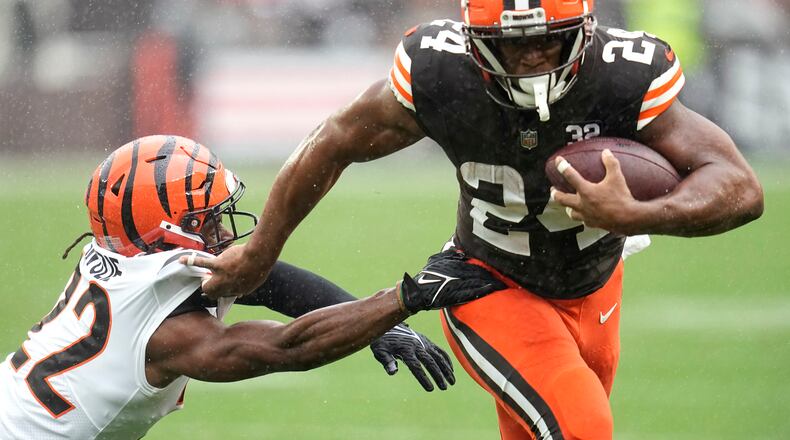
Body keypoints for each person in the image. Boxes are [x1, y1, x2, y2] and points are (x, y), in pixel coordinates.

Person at [188, 1, 765, 438]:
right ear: (473, 41)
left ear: (584, 34)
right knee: (582, 426)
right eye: (514, 46)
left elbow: (739, 186)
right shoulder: (442, 74)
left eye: (549, 41)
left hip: (596, 284)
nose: (532, 59)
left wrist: (639, 214)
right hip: (490, 284)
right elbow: (334, 141)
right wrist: (262, 249)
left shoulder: (620, 76)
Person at [0, 135, 505, 439]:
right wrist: (406, 299)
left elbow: (267, 281)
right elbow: (291, 346)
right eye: (205, 219)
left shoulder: (122, 255)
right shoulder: (167, 335)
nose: (222, 232)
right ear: (161, 232)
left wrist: (373, 324)